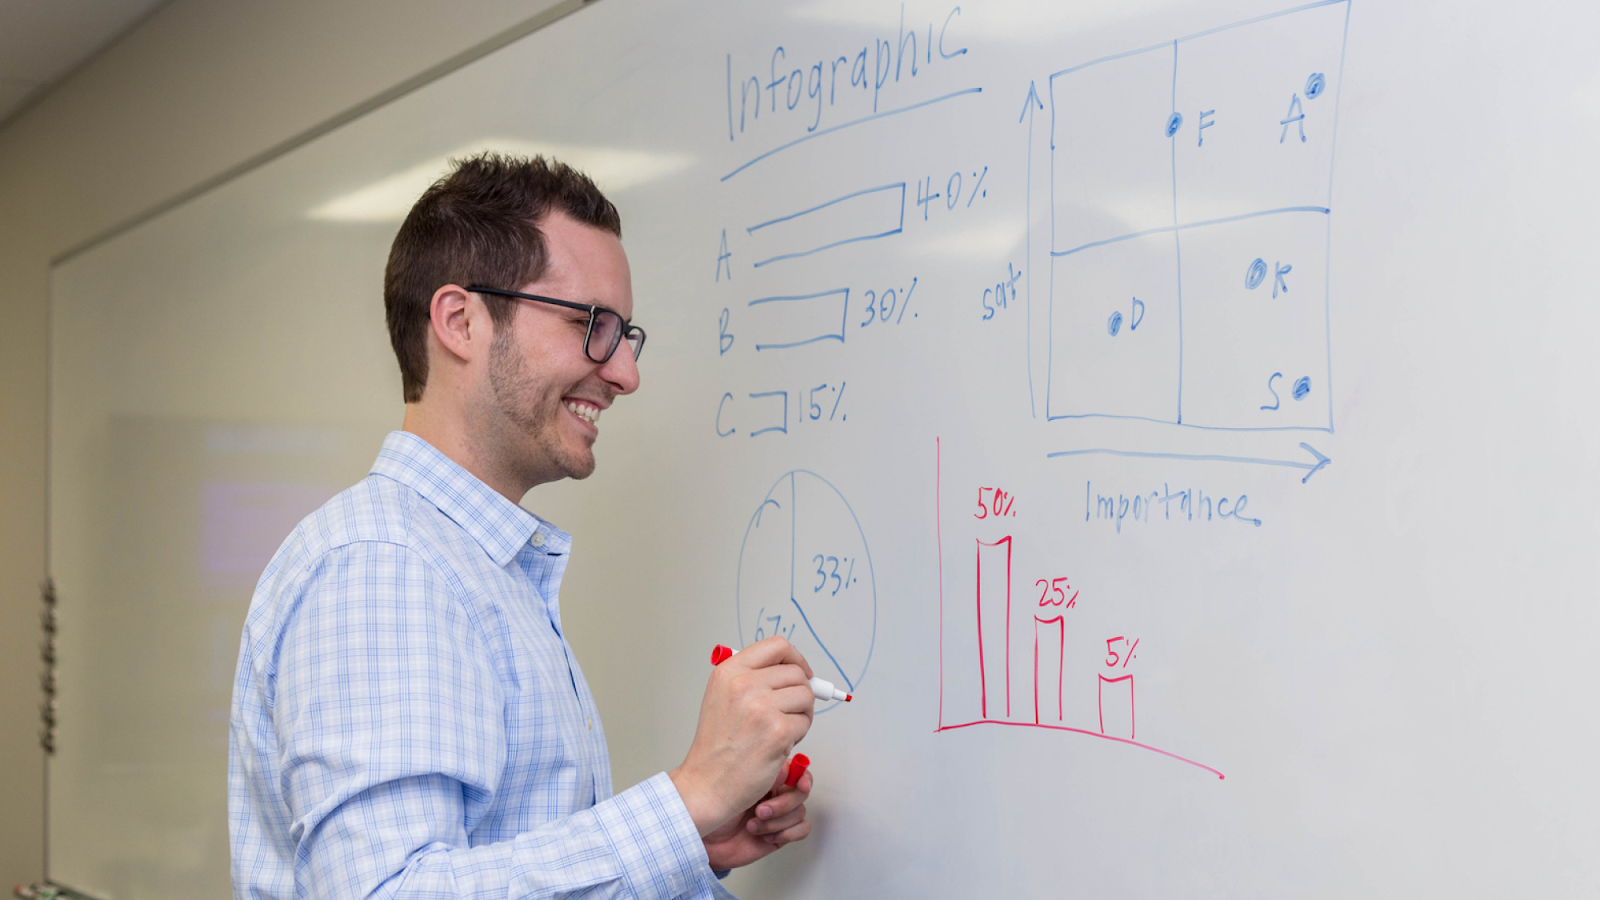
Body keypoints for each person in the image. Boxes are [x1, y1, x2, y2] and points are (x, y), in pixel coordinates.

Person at [229, 153, 818, 899]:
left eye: (624, 334)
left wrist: (687, 848)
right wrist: (686, 798)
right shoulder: (383, 565)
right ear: (461, 321)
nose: (624, 373)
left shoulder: (476, 566)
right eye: (589, 324)